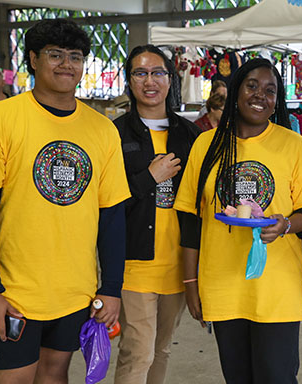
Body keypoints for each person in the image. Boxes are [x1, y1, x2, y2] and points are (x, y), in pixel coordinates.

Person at [0, 18, 130, 384]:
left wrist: (111, 288)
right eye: (55, 55)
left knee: (56, 375)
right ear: (33, 59)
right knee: (12, 379)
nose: (66, 64)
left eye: (75, 56)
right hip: (14, 293)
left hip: (75, 291)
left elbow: (113, 216)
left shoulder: (102, 130)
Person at [174, 58, 302, 384]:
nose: (260, 95)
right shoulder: (206, 145)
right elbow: (191, 221)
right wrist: (190, 284)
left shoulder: (293, 145)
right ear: (236, 90)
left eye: (270, 90)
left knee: (277, 377)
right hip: (223, 285)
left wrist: (285, 225)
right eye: (252, 85)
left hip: (277, 286)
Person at [112, 44, 200, 384]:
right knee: (138, 354)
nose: (150, 81)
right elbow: (107, 204)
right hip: (135, 265)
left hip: (178, 265)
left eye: (158, 72)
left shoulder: (189, 135)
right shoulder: (115, 134)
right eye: (140, 72)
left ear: (170, 79)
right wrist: (149, 178)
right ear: (130, 81)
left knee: (161, 351)